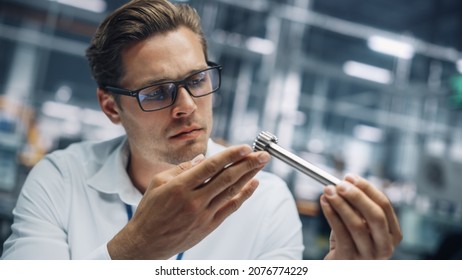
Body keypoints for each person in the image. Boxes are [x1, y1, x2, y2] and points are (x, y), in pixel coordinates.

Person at [1, 0, 402, 260]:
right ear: (111, 106)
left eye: (196, 80)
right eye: (157, 92)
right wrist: (137, 248)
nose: (187, 106)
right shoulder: (59, 180)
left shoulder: (265, 200)